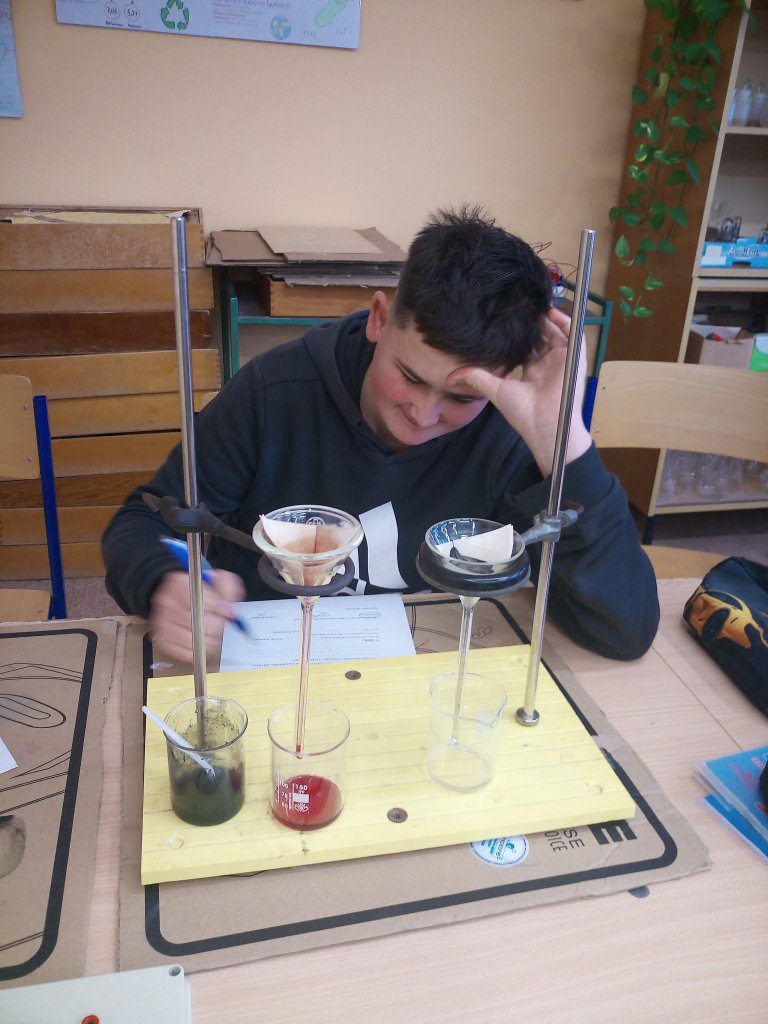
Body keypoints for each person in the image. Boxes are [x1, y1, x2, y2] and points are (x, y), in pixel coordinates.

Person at [102, 206, 660, 663]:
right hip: (270, 665)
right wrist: (164, 583)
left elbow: (624, 630)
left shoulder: (512, 429)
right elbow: (143, 520)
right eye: (411, 377)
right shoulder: (274, 392)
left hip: (429, 670)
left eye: (462, 397)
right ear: (378, 318)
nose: (423, 414)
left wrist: (562, 442)